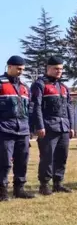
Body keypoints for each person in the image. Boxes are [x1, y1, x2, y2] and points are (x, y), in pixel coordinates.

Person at [30, 56, 75, 195]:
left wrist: (71, 126)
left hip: (63, 127)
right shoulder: (40, 84)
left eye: (61, 69)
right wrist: (39, 126)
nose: (59, 71)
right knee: (47, 157)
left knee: (62, 156)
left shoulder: (63, 87)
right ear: (48, 68)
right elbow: (36, 106)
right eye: (56, 69)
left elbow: (69, 107)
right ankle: (44, 185)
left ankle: (58, 183)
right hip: (48, 127)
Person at [0, 55, 34, 201]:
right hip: (4, 130)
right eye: (18, 69)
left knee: (22, 160)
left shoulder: (24, 87)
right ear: (9, 67)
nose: (21, 72)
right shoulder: (1, 84)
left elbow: (30, 109)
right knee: (4, 162)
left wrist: (31, 129)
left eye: (23, 70)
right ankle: (2, 191)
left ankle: (19, 189)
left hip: (23, 130)